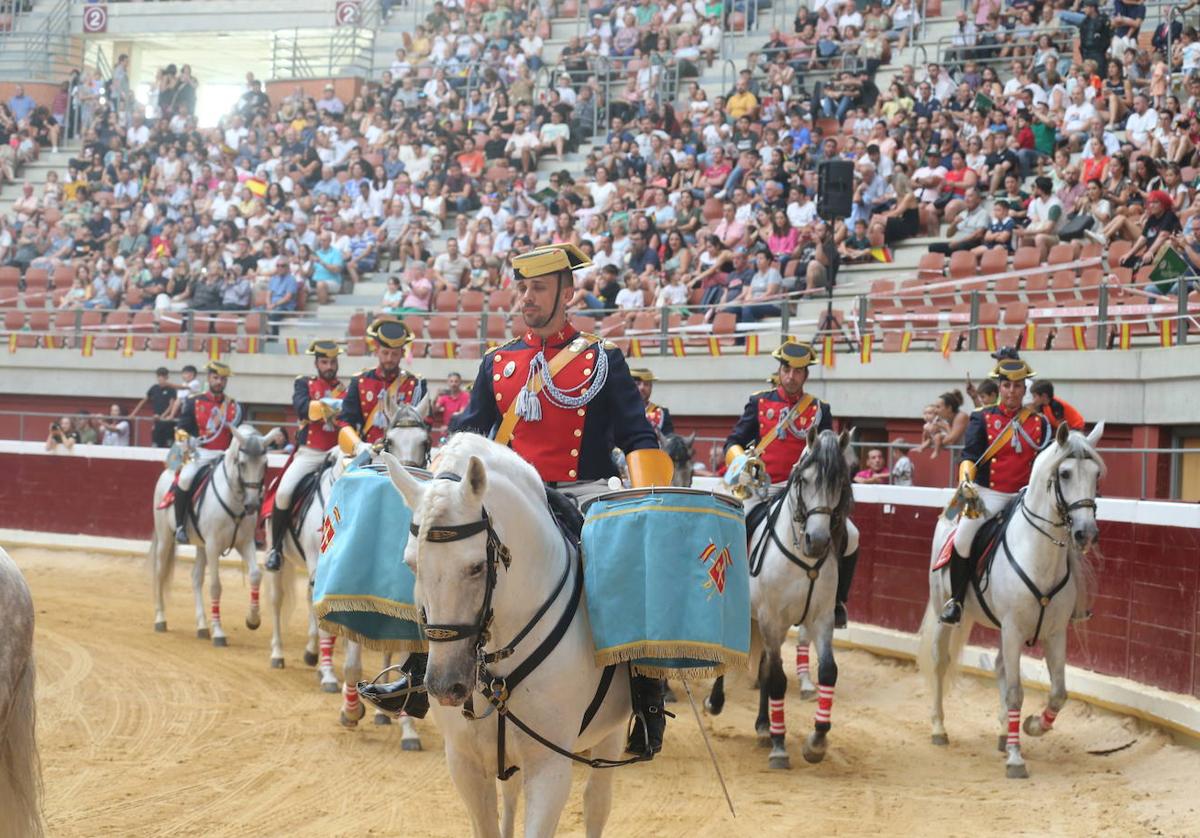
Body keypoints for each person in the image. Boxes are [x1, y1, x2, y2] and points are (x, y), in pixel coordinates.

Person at [368, 243, 674, 760]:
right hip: (514, 499)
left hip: (584, 495)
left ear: (566, 292)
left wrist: (647, 497)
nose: (526, 297)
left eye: (537, 288)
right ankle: (419, 671)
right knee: (438, 555)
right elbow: (470, 429)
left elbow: (638, 437)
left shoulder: (603, 360)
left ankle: (646, 697)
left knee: (627, 576)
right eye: (522, 287)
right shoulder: (499, 361)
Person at [723, 338, 860, 628]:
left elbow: (829, 453)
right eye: (787, 369)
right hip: (764, 489)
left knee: (852, 535)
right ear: (780, 370)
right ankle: (732, 593)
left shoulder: (820, 409)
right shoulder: (759, 402)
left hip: (806, 495)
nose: (791, 376)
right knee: (733, 528)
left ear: (805, 375)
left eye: (798, 371)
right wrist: (743, 461)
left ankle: (836, 602)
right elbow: (733, 442)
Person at [939, 350, 1053, 624]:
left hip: (1024, 498)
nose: (1012, 392)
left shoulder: (1040, 423)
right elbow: (970, 455)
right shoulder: (981, 417)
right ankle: (956, 600)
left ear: (1025, 388)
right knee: (963, 536)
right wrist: (966, 477)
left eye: (1017, 386)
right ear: (999, 387)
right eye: (1006, 385)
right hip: (989, 494)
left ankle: (1067, 602)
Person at [265, 340, 346, 572]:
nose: (329, 366)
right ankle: (276, 548)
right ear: (317, 363)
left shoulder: (346, 389)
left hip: (337, 454)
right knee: (283, 492)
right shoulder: (304, 384)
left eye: (333, 362)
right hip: (309, 454)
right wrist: (333, 405)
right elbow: (302, 408)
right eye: (324, 362)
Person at [173, 361, 243, 544]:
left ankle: (244, 528)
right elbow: (181, 428)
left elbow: (237, 434)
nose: (219, 382)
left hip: (225, 455)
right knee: (185, 479)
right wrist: (187, 439)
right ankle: (180, 525)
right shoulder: (194, 401)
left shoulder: (234, 406)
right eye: (216, 378)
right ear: (209, 378)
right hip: (201, 453)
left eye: (223, 379)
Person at [336, 319, 429, 455]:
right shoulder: (360, 381)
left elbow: (427, 422)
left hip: (403, 457)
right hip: (367, 452)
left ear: (402, 354)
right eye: (385, 353)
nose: (389, 359)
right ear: (377, 351)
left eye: (394, 354)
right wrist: (358, 446)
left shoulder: (416, 384)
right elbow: (345, 421)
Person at [130, 367, 179, 448]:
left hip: (168, 422)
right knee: (155, 445)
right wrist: (133, 413)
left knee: (169, 445)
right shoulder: (154, 388)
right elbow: (143, 401)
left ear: (167, 377)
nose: (161, 379)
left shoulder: (171, 389)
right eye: (159, 376)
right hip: (157, 422)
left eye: (163, 377)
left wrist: (162, 416)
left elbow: (171, 405)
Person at [630, 368, 674, 434]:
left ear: (651, 387)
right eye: (638, 384)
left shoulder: (662, 414)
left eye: (646, 384)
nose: (642, 388)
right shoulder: (618, 411)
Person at [430, 371, 470, 443]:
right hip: (446, 432)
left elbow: (461, 414)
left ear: (460, 382)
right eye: (451, 381)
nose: (453, 384)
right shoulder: (444, 396)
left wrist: (448, 427)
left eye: (456, 381)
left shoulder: (465, 396)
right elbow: (434, 410)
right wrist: (436, 396)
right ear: (448, 383)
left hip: (460, 432)